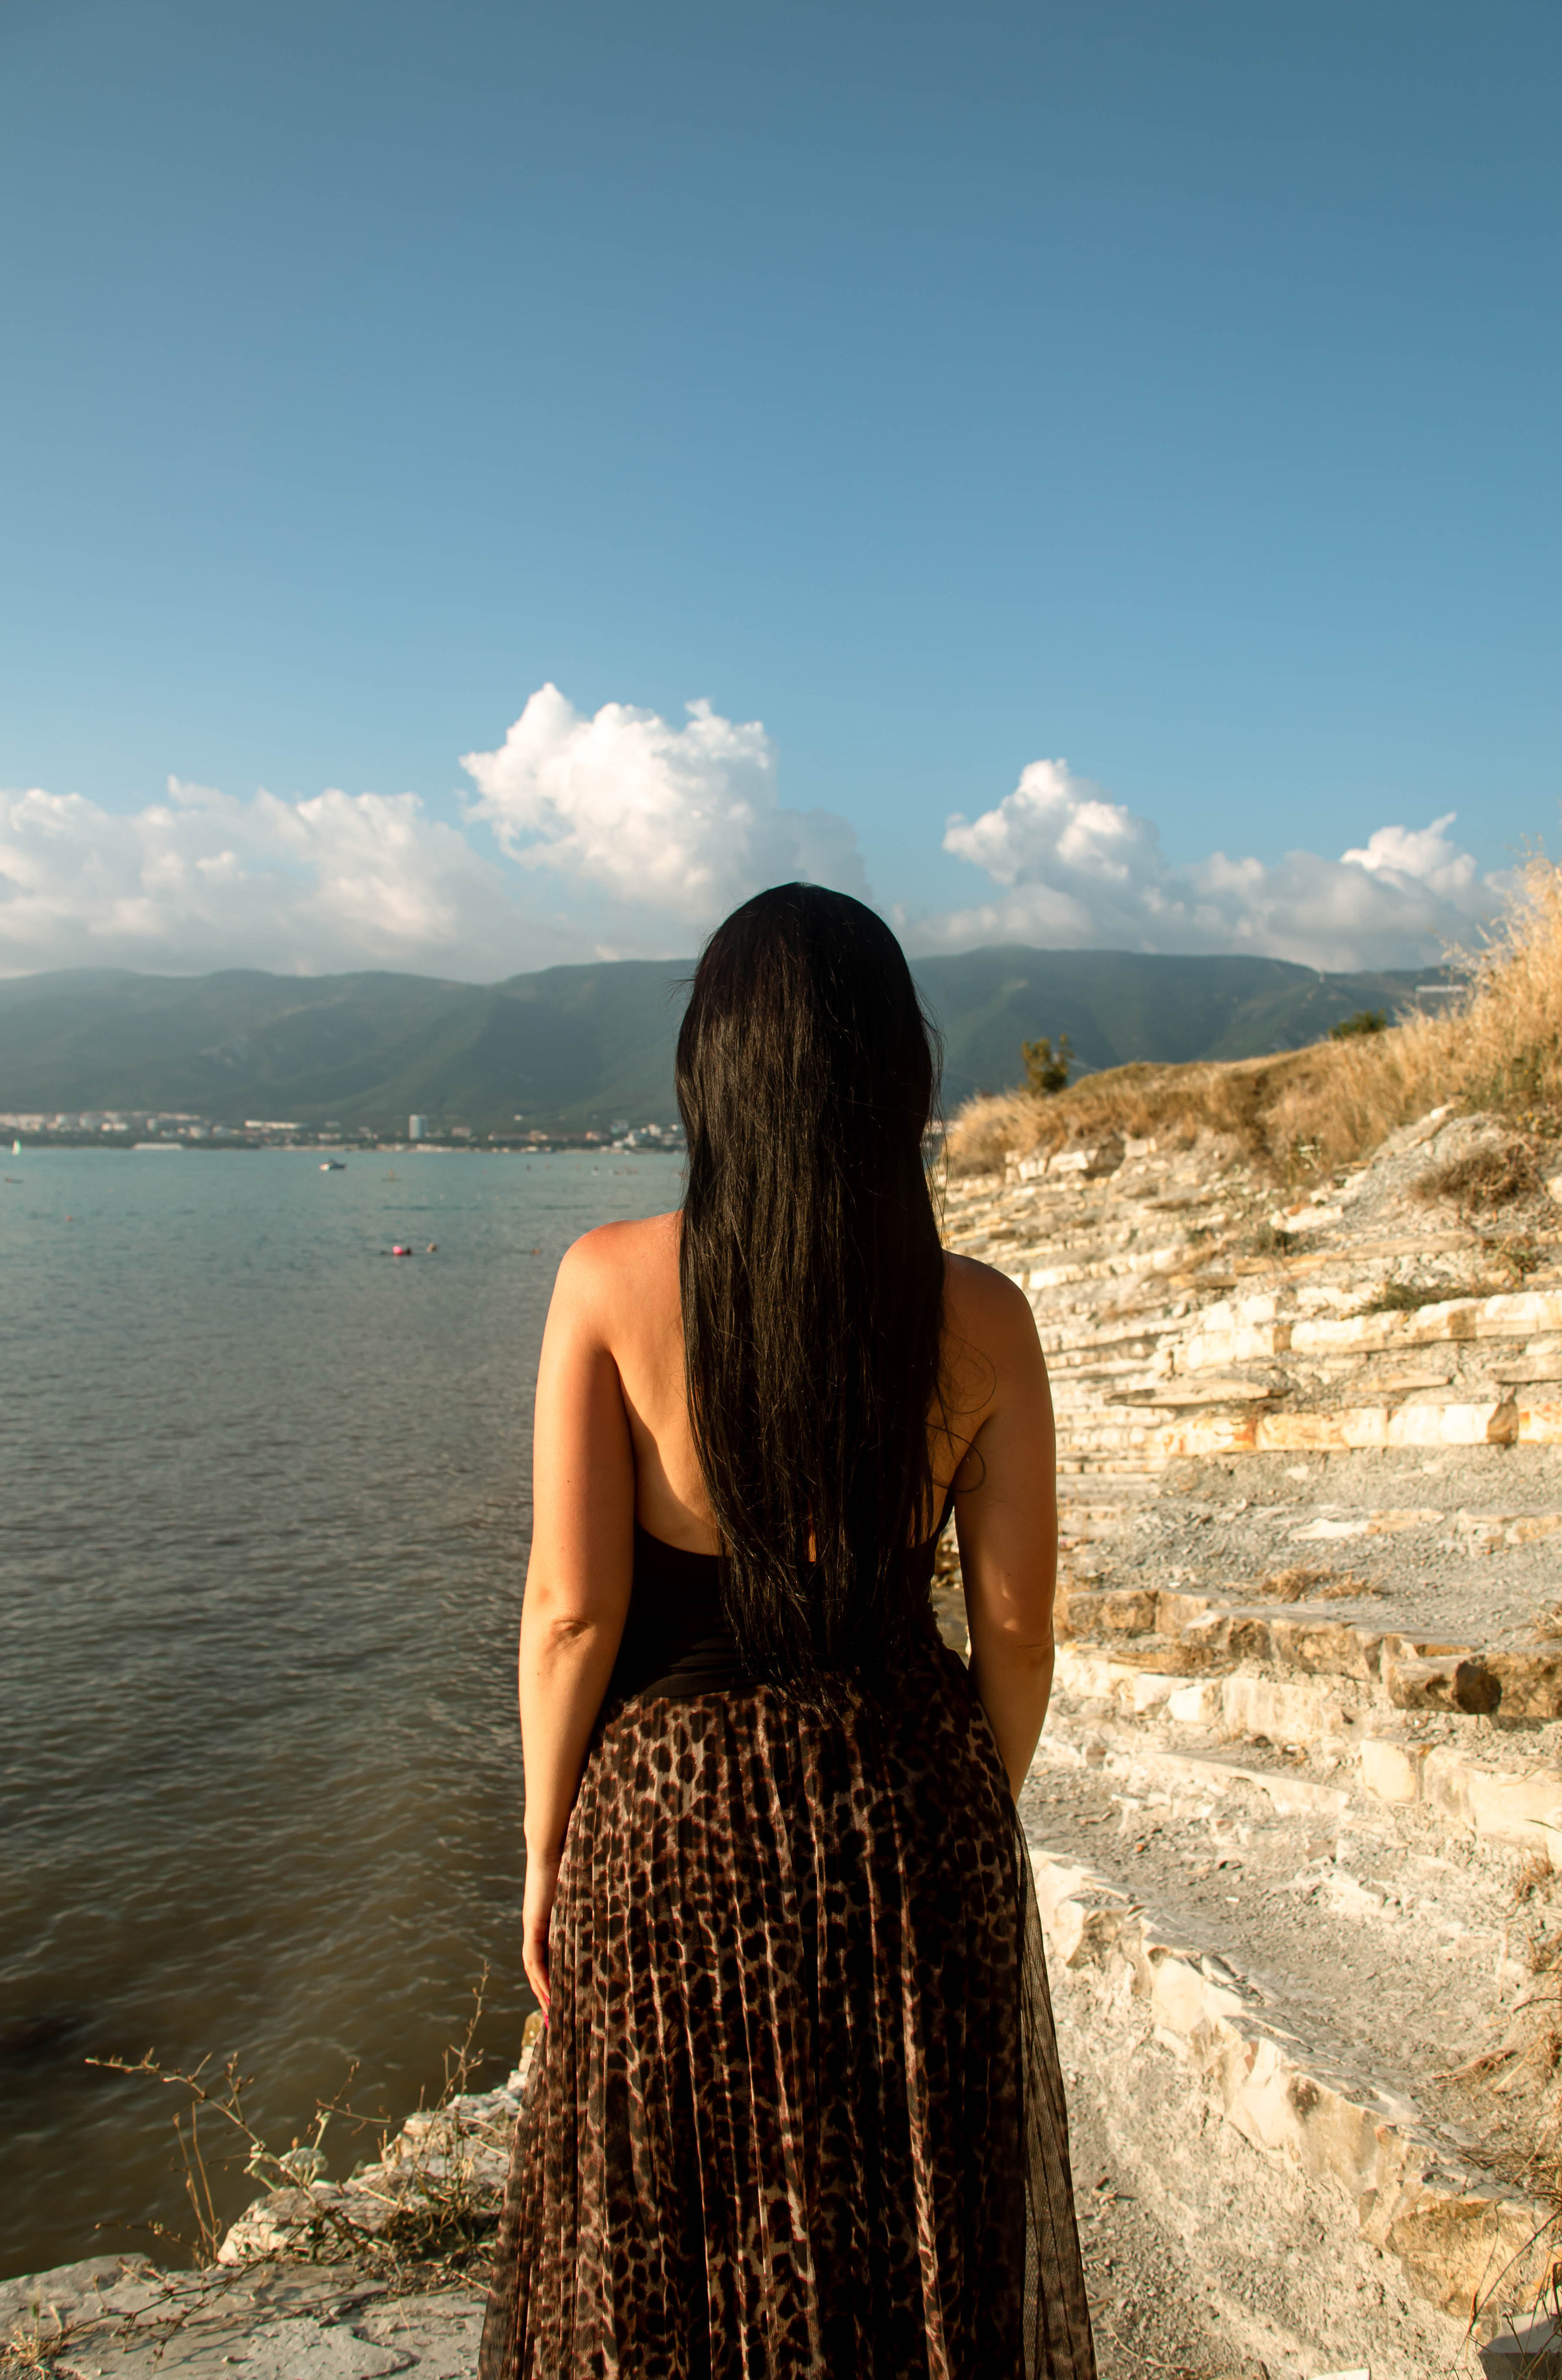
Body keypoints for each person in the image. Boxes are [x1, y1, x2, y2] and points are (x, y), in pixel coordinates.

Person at [480, 885, 1095, 2380]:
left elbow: (572, 1614)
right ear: (907, 1080)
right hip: (908, 1802)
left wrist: (544, 1849)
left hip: (670, 1827)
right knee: (904, 2228)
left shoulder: (607, 1283)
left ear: (708, 1069)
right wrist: (963, 1810)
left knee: (671, 2248)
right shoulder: (981, 1318)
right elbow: (1015, 1634)